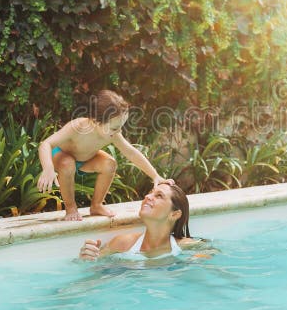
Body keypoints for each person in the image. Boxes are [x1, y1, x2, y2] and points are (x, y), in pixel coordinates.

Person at [37, 89, 172, 220]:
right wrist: (48, 168)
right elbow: (45, 144)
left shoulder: (112, 133)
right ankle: (71, 208)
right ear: (96, 121)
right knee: (68, 164)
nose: (118, 131)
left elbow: (131, 152)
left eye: (121, 126)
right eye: (115, 127)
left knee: (109, 164)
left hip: (86, 159)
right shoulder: (77, 127)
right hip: (62, 156)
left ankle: (96, 205)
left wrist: (155, 176)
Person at [78, 183, 197, 260]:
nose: (147, 196)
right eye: (151, 192)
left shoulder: (188, 247)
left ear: (175, 214)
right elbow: (92, 267)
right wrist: (86, 256)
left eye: (159, 196)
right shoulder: (121, 243)